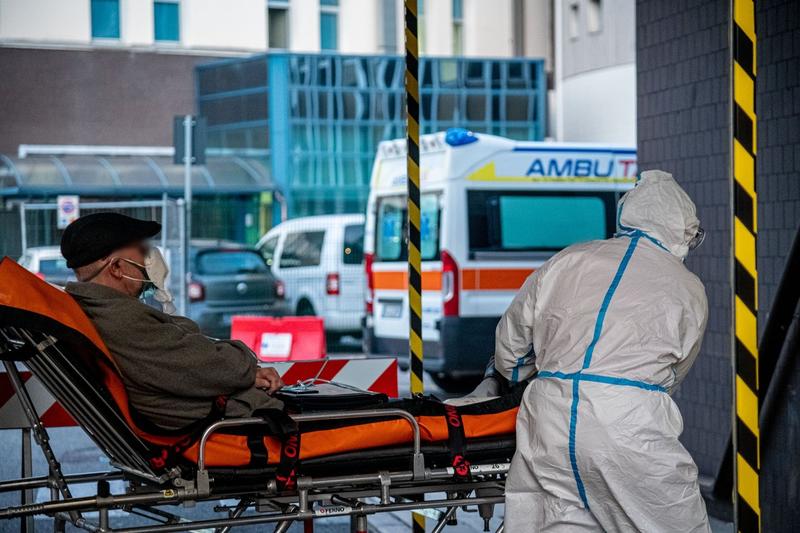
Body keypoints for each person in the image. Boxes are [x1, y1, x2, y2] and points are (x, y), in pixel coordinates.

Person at [494, 170, 710, 531]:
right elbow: (674, 373)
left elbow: (510, 350)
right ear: (681, 229)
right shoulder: (687, 286)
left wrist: (531, 376)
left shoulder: (568, 260)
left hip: (549, 419)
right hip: (628, 424)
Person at [60, 213, 285, 431]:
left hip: (212, 418)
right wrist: (245, 363)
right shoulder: (124, 320)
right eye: (142, 250)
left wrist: (241, 372)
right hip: (224, 428)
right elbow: (211, 365)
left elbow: (195, 360)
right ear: (117, 268)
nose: (150, 259)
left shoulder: (94, 310)